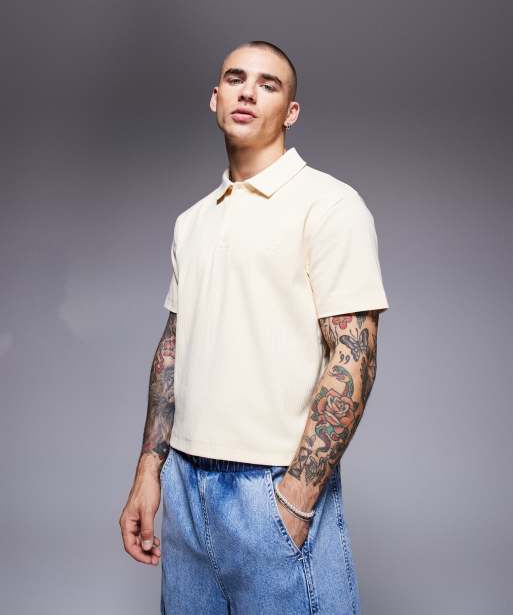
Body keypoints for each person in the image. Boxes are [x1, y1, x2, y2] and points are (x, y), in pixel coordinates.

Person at [119, 40, 390, 614]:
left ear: (291, 112)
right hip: (184, 486)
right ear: (215, 98)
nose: (248, 92)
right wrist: (149, 470)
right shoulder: (192, 221)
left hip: (272, 485)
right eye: (236, 79)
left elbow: (354, 355)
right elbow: (173, 348)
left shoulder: (329, 205)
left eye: (268, 84)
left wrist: (296, 497)